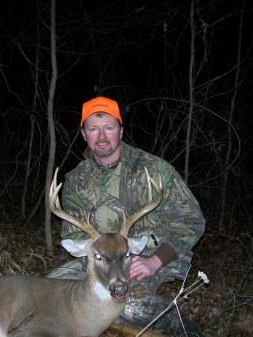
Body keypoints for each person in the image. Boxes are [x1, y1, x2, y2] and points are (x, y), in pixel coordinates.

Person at [47, 96, 206, 334]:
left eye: (109, 128)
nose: (101, 137)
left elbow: (192, 220)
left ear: (120, 131)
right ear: (84, 134)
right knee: (48, 295)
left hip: (150, 254)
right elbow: (74, 235)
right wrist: (99, 271)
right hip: (99, 261)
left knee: (131, 307)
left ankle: (182, 327)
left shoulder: (153, 169)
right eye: (93, 129)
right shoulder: (76, 180)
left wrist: (156, 260)